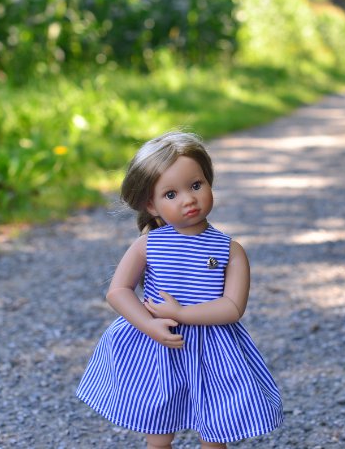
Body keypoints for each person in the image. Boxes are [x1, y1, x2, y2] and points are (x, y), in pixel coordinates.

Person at [77, 131, 284, 448]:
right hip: (158, 343)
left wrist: (182, 312)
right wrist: (149, 324)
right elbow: (118, 291)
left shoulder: (229, 251)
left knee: (215, 425)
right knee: (159, 423)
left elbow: (232, 307)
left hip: (214, 347)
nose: (188, 199)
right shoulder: (149, 245)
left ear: (209, 183)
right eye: (171, 194)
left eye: (196, 185)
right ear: (152, 205)